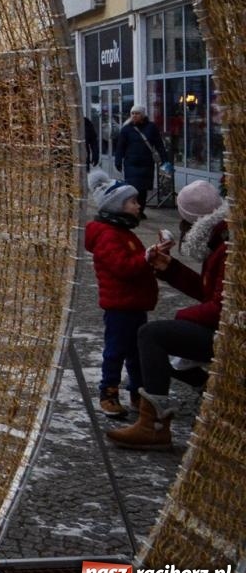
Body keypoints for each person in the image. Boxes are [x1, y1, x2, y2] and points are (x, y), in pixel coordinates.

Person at [108, 179, 230, 449]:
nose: (180, 227)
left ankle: (154, 427)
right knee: (163, 339)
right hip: (226, 330)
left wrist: (183, 317)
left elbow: (221, 307)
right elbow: (209, 293)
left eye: (183, 220)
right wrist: (171, 268)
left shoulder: (226, 249)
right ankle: (211, 390)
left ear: (192, 222)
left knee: (153, 335)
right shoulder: (219, 243)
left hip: (232, 335)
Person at [83, 170, 160, 419]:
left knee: (137, 352)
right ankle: (109, 391)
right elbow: (123, 267)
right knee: (116, 350)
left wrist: (152, 258)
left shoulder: (124, 233)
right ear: (117, 206)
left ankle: (138, 392)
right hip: (120, 305)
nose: (138, 206)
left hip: (134, 304)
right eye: (133, 202)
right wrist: (146, 258)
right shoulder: (108, 235)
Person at [112, 106, 167, 214]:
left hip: (146, 163)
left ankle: (140, 211)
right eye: (132, 113)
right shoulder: (126, 129)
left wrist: (164, 159)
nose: (134, 116)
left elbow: (159, 144)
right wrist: (118, 160)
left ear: (143, 115)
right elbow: (120, 147)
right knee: (132, 188)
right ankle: (132, 210)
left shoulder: (151, 127)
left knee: (143, 190)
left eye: (137, 113)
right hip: (131, 163)